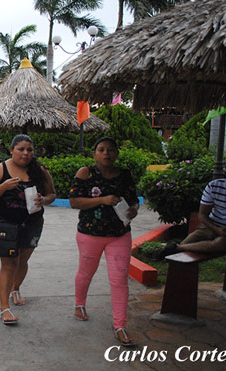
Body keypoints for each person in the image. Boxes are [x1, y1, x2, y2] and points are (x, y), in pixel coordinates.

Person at [69, 137, 140, 347]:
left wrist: (133, 210)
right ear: (94, 153)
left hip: (119, 234)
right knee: (85, 272)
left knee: (119, 279)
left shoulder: (125, 175)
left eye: (110, 149)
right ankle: (79, 304)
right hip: (90, 234)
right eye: (101, 149)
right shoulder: (86, 173)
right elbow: (74, 201)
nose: (106, 153)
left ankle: (120, 325)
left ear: (117, 153)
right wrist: (102, 200)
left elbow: (134, 199)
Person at [0, 134, 56, 324]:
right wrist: (4, 187)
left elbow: (52, 194)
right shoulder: (0, 169)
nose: (25, 153)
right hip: (6, 224)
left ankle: (15, 288)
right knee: (8, 264)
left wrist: (44, 200)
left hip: (32, 224)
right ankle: (4, 307)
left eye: (29, 150)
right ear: (11, 150)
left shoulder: (38, 170)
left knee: (22, 261)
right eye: (21, 149)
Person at [159, 164, 226, 258]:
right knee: (185, 246)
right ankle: (180, 248)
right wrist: (217, 229)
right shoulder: (214, 187)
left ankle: (178, 247)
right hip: (210, 227)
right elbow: (202, 215)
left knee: (220, 243)